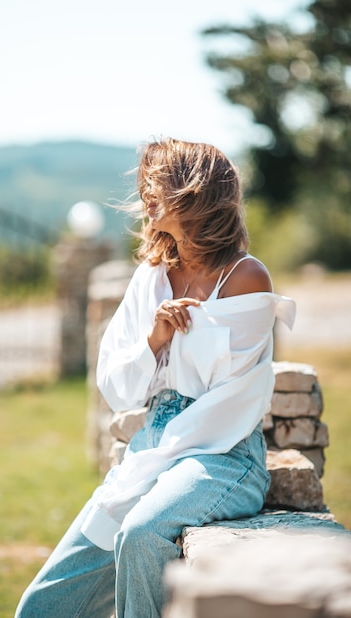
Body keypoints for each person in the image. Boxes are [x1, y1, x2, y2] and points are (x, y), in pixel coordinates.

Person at [15, 137, 295, 618]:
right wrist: (155, 338)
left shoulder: (247, 277)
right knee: (44, 605)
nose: (145, 195)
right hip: (153, 447)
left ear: (193, 194)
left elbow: (230, 401)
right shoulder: (149, 277)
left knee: (142, 533)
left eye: (156, 185)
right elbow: (118, 387)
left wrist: (166, 447)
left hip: (222, 455)